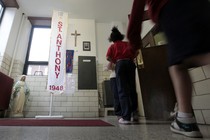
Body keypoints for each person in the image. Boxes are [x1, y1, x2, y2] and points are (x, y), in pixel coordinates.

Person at [127, 0, 210, 138]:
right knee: (202, 55)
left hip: (171, 7)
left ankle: (185, 120)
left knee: (177, 64)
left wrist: (134, 43)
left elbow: (137, 9)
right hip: (202, 5)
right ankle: (184, 118)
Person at [106, 26, 139, 124]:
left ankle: (126, 117)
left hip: (120, 64)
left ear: (112, 39)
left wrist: (115, 61)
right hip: (130, 63)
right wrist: (131, 58)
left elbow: (108, 57)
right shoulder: (128, 44)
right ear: (121, 37)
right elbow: (137, 52)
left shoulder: (112, 46)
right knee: (132, 89)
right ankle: (134, 114)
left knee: (122, 90)